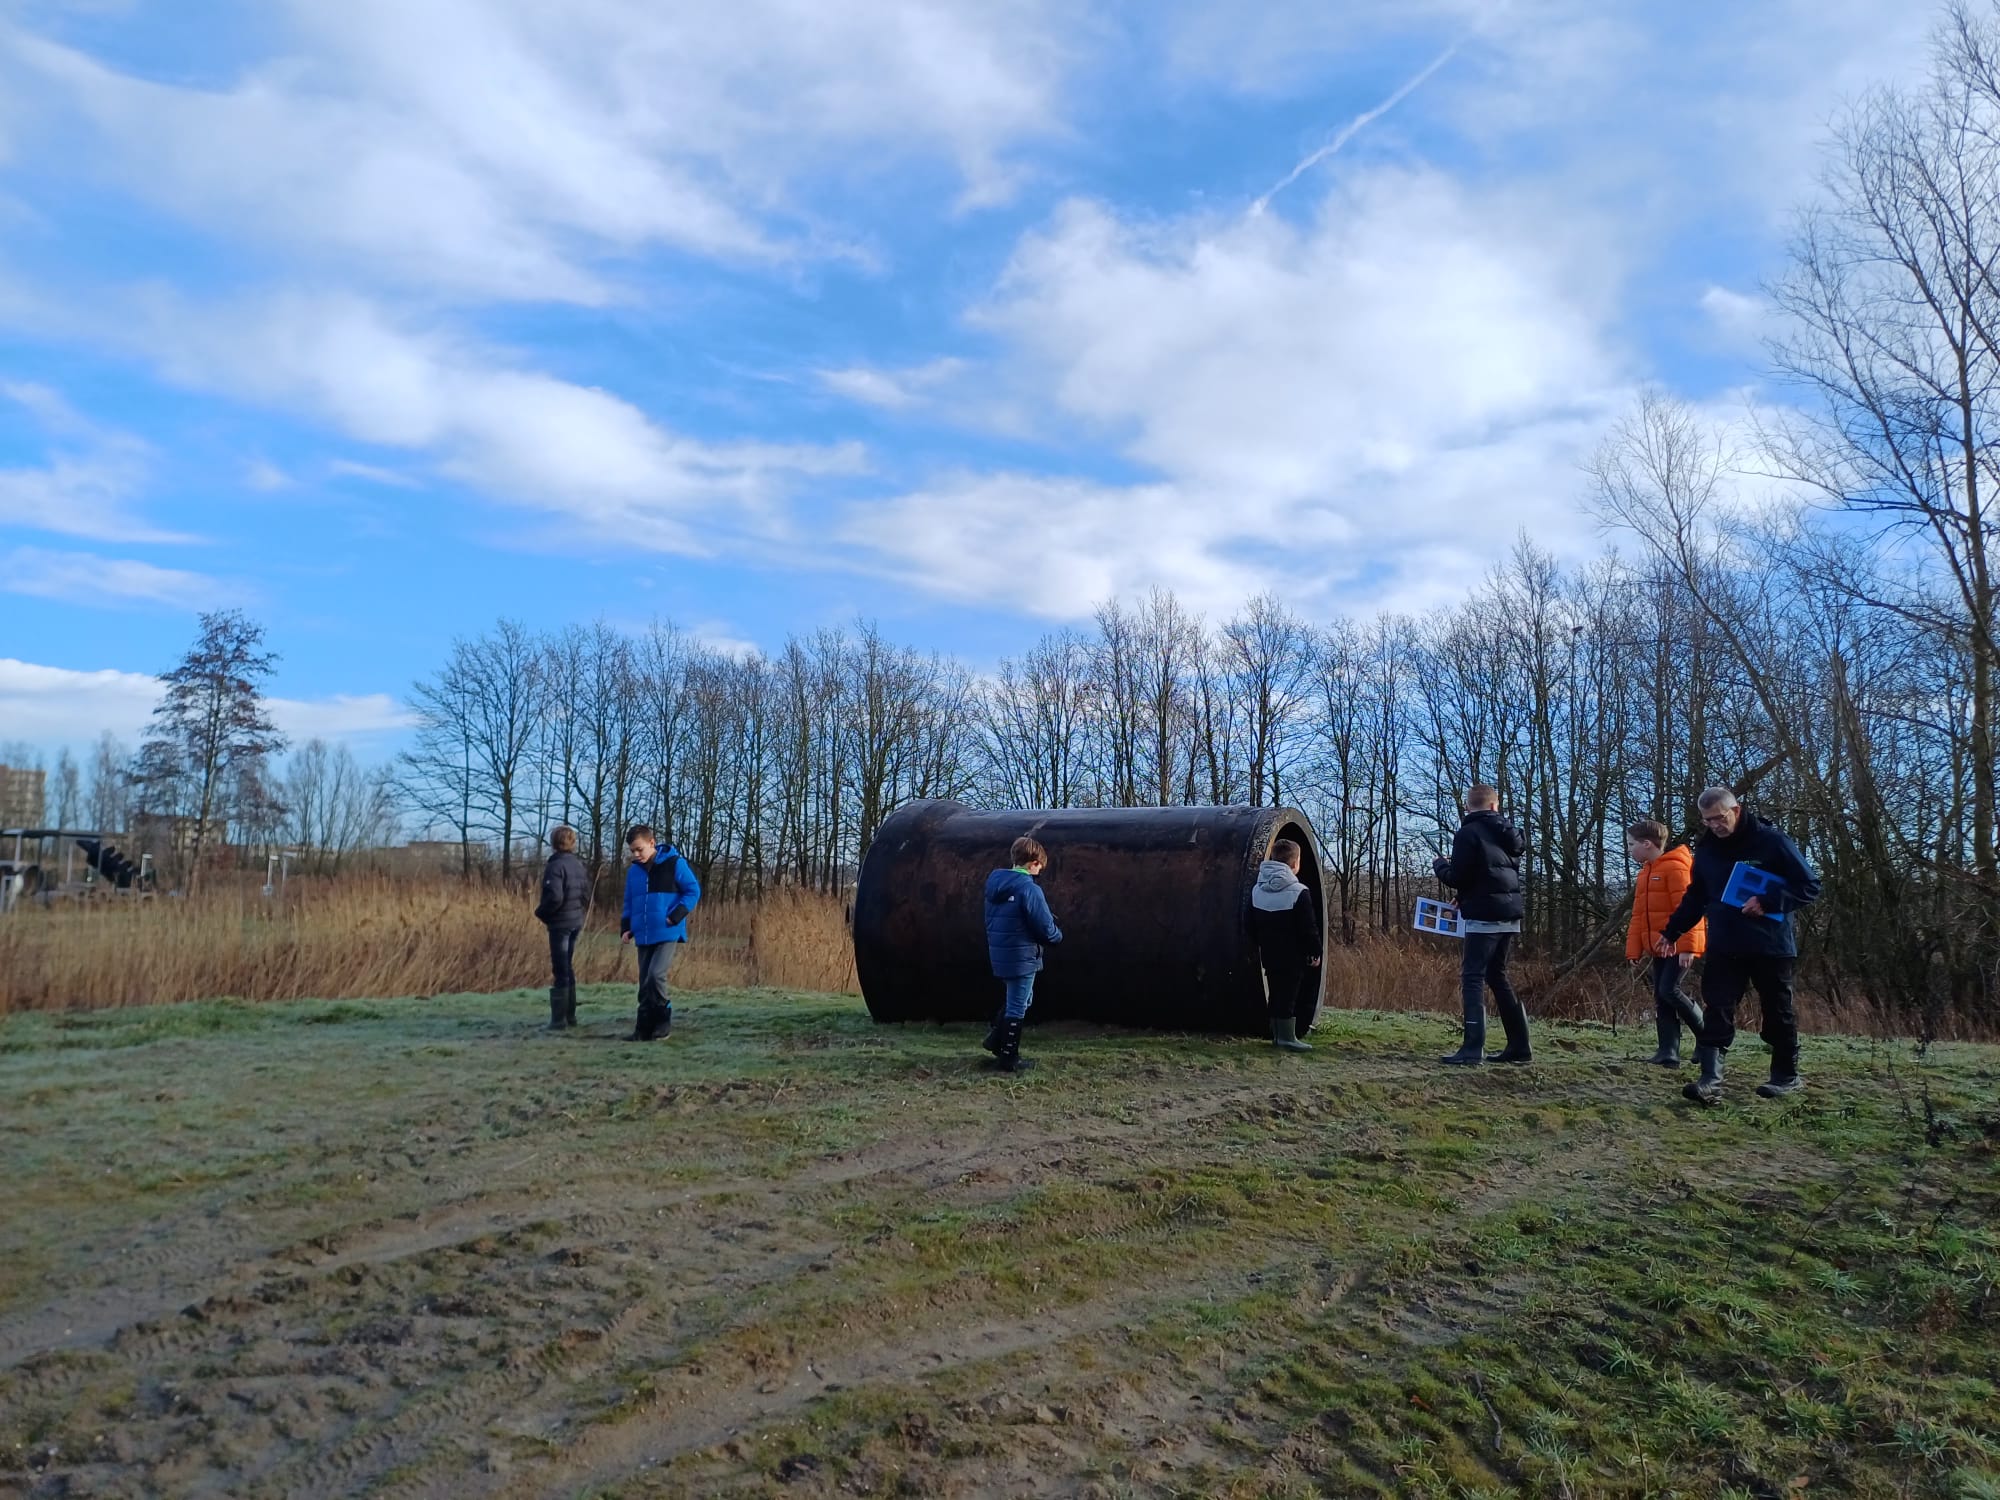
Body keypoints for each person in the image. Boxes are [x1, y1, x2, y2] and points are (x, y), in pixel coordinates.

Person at [1656, 787, 1820, 1104]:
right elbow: (1696, 896)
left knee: (1777, 1010)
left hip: (1770, 944)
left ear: (1736, 810)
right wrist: (1672, 931)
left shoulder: (1773, 841)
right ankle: (1709, 1081)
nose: (1716, 825)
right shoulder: (1706, 850)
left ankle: (1786, 1076)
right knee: (1717, 1007)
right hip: (1725, 942)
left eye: (1720, 817)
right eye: (1708, 820)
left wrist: (1769, 900)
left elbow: (1810, 885)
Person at [1433, 784, 1531, 1066]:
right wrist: (1463, 897)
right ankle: (1519, 1046)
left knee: (1472, 976)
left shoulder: (1467, 833)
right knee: (1498, 975)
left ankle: (1473, 1047)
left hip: (1484, 918)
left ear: (1468, 807)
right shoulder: (1511, 834)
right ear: (1494, 806)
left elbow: (1458, 875)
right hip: (1509, 915)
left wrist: (1440, 865)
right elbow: (1490, 876)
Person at [1623, 819, 1705, 1067]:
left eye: (1631, 844)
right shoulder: (1646, 872)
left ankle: (1708, 1038)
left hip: (1677, 945)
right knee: (1661, 996)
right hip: (1658, 947)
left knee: (1669, 990)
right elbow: (1638, 916)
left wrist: (1688, 946)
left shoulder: (1675, 868)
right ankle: (1668, 1052)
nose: (1629, 849)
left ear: (1647, 844)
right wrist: (1634, 949)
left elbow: (1690, 908)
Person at [981, 835, 1062, 1074]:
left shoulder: (995, 885)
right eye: (1040, 866)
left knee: (1023, 1000)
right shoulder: (1029, 890)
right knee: (1018, 1005)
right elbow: (1045, 926)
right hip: (1022, 955)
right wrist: (1057, 936)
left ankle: (996, 1040)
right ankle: (1008, 1058)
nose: (1039, 872)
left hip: (1002, 954)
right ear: (1033, 862)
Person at [619, 823, 702, 1042]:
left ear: (652, 843)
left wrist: (676, 915)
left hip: (667, 931)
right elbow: (629, 901)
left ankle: (664, 1019)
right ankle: (643, 1028)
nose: (636, 855)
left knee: (656, 975)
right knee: (645, 981)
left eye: (640, 849)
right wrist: (626, 928)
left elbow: (693, 890)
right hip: (643, 933)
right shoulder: (633, 873)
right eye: (632, 851)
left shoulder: (674, 863)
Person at [1250, 837, 1323, 1053]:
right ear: (1295, 864)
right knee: (1289, 995)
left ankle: (1276, 1034)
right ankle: (1287, 1038)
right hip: (1294, 956)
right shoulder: (1299, 891)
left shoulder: (1257, 890)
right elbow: (1308, 928)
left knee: (1275, 992)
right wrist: (1315, 952)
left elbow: (1249, 924)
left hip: (1270, 954)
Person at [533, 825, 589, 1032]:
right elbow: (586, 895)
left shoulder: (555, 866)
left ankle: (558, 1021)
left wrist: (542, 913)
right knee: (568, 967)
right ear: (572, 843)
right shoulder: (578, 865)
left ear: (554, 842)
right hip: (575, 921)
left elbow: (554, 897)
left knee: (560, 968)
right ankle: (570, 1016)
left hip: (561, 924)